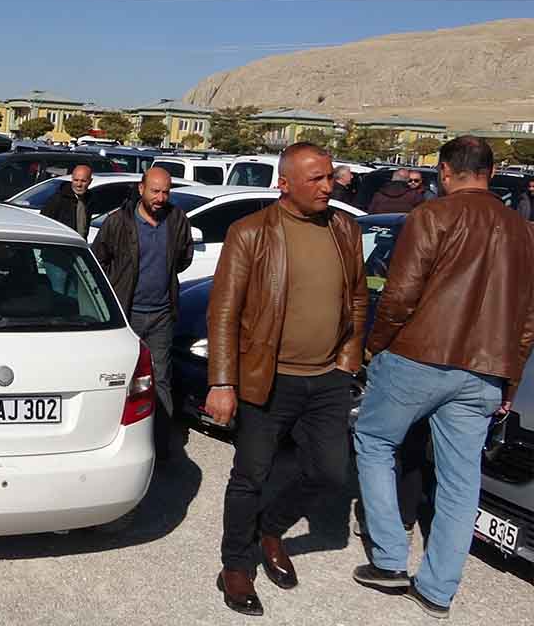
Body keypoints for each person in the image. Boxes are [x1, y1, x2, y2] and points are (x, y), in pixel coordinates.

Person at [352, 136, 534, 618]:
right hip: (486, 371)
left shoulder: (431, 216)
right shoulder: (525, 232)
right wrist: (509, 382)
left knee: (372, 439)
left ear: (446, 172)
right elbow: (528, 318)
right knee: (460, 480)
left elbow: (399, 294)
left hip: (419, 356)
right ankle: (436, 589)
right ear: (491, 174)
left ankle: (390, 559)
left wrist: (377, 344)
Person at [203, 142, 368, 617]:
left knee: (330, 472)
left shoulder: (344, 228)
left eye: (330, 176)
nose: (327, 186)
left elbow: (358, 298)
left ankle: (270, 530)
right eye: (315, 178)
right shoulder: (251, 232)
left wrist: (347, 359)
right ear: (285, 183)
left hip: (328, 378)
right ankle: (236, 564)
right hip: (267, 380)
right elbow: (224, 311)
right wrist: (222, 382)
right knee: (250, 477)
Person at [92, 167, 194, 460]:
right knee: (120, 379)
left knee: (161, 380)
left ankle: (159, 446)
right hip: (127, 315)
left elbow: (184, 258)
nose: (161, 197)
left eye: (166, 191)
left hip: (161, 314)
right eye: (155, 191)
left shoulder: (177, 220)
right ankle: (111, 442)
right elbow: (99, 261)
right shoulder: (118, 222)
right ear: (141, 189)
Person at [40, 165, 94, 238]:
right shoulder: (57, 199)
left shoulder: (88, 199)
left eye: (83, 181)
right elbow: (44, 225)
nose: (79, 184)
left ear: (90, 181)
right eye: (76, 180)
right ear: (72, 179)